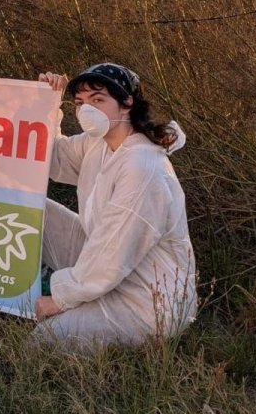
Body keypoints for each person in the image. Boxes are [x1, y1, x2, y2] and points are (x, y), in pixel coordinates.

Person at [33, 63, 197, 352]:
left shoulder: (142, 167)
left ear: (127, 103)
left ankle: (84, 306)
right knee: (33, 211)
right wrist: (48, 103)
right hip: (109, 270)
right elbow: (54, 156)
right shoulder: (98, 143)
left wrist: (60, 299)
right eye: (80, 103)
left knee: (44, 341)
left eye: (98, 100)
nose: (87, 111)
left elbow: (113, 252)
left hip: (146, 302)